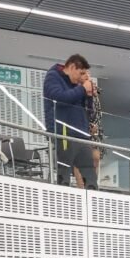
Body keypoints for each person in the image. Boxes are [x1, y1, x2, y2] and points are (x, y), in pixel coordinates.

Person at [43, 54, 98, 189]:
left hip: (81, 134)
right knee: (64, 174)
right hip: (63, 133)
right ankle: (62, 199)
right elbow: (60, 98)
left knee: (90, 176)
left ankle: (91, 197)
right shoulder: (53, 77)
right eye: (81, 73)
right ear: (72, 67)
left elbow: (89, 112)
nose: (82, 77)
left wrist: (89, 95)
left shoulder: (76, 85)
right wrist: (82, 89)